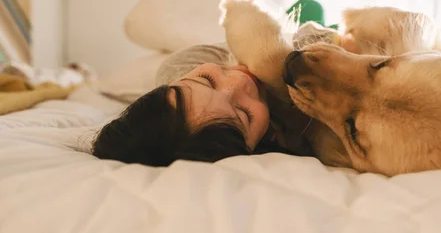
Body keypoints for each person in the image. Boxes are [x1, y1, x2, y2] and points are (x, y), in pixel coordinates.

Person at [91, 43, 315, 166]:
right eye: (244, 113)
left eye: (206, 80)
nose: (240, 80)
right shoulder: (300, 135)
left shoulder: (180, 69)